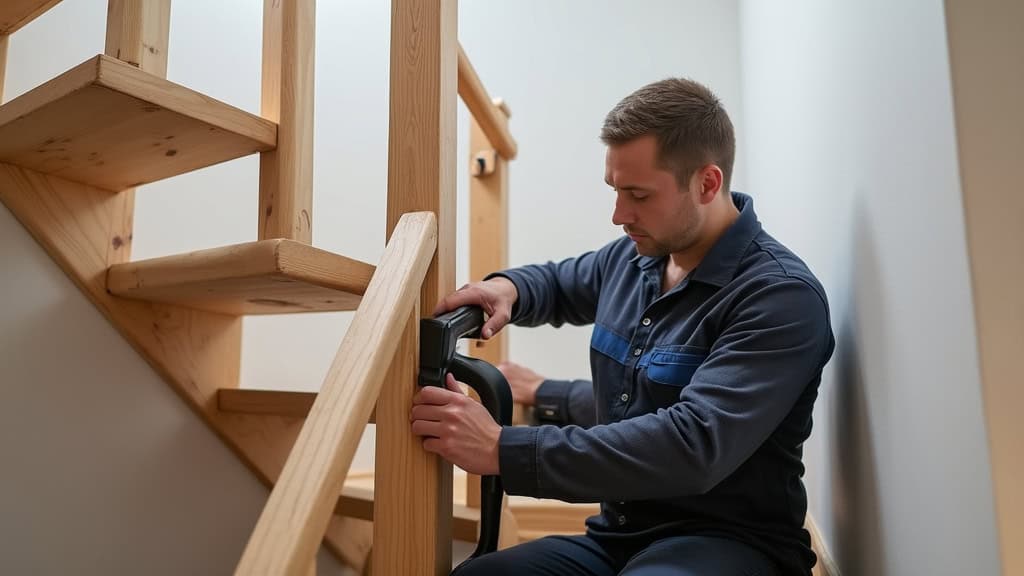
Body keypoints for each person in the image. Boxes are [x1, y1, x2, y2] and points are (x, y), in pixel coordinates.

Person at [410, 77, 835, 575]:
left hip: (732, 544)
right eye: (614, 190)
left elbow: (692, 444)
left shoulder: (779, 296)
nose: (618, 214)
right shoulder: (638, 257)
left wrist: (502, 449)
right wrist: (508, 288)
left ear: (708, 183)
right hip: (620, 536)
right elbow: (560, 284)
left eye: (637, 194)